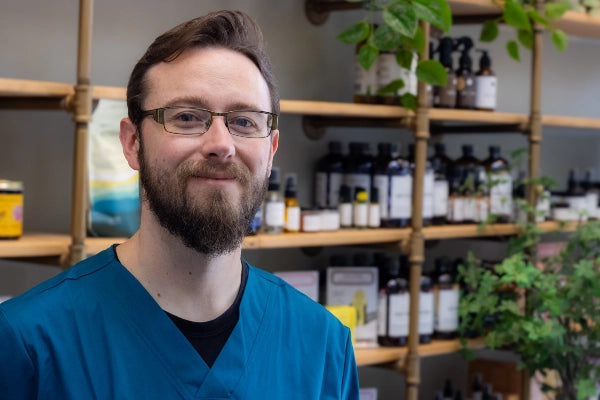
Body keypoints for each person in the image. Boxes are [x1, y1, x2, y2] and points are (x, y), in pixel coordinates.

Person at [0, 10, 359, 399]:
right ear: (132, 143)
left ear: (270, 150)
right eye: (187, 117)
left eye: (243, 122)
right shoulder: (30, 345)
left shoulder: (323, 346)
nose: (221, 144)